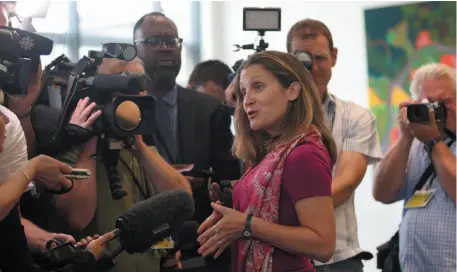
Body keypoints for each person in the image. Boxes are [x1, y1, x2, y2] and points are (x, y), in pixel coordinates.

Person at [197, 50, 337, 271]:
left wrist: (246, 224)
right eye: (243, 92)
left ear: (292, 91)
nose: (247, 101)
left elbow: (323, 244)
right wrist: (235, 201)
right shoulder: (274, 152)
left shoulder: (303, 154)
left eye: (258, 87)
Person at [134, 12, 240, 271]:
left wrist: (206, 184)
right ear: (134, 49)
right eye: (154, 41)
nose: (165, 48)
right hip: (138, 241)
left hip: (200, 243)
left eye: (172, 41)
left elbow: (229, 177)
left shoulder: (209, 109)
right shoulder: (123, 108)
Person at [286, 19, 383, 271]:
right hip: (283, 257)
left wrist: (284, 212)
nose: (313, 69)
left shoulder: (355, 117)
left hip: (338, 257)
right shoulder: (271, 116)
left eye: (320, 58)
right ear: (289, 61)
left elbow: (345, 184)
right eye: (303, 61)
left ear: (334, 56)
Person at [0, 106, 113, 271]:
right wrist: (30, 170)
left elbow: (8, 219)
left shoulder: (9, 126)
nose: (0, 150)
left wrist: (46, 241)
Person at [373, 63, 456, 272]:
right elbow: (382, 193)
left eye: (445, 101)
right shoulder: (415, 143)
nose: (437, 110)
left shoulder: (431, 140)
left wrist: (435, 142)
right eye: (429, 103)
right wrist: (404, 138)